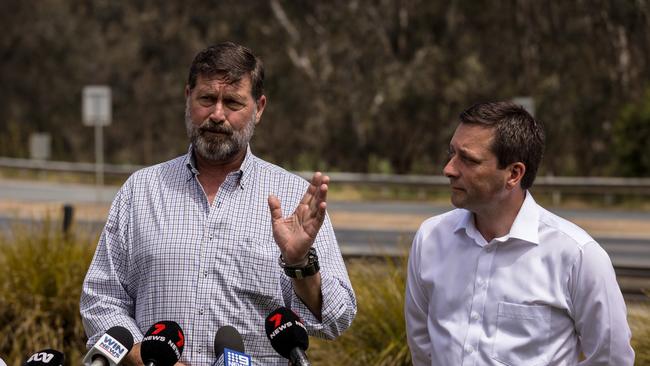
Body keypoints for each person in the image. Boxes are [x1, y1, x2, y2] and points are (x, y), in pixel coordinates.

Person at [80, 41, 357, 366]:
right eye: (207, 99)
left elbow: (338, 319)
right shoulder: (141, 191)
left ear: (259, 107)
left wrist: (299, 263)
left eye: (233, 103)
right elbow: (102, 298)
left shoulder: (293, 197)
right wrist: (144, 358)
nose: (217, 114)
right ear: (188, 98)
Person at [405, 101, 634, 365]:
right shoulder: (430, 238)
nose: (449, 169)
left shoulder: (578, 256)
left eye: (468, 159)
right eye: (451, 153)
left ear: (514, 173)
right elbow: (422, 347)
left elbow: (612, 358)